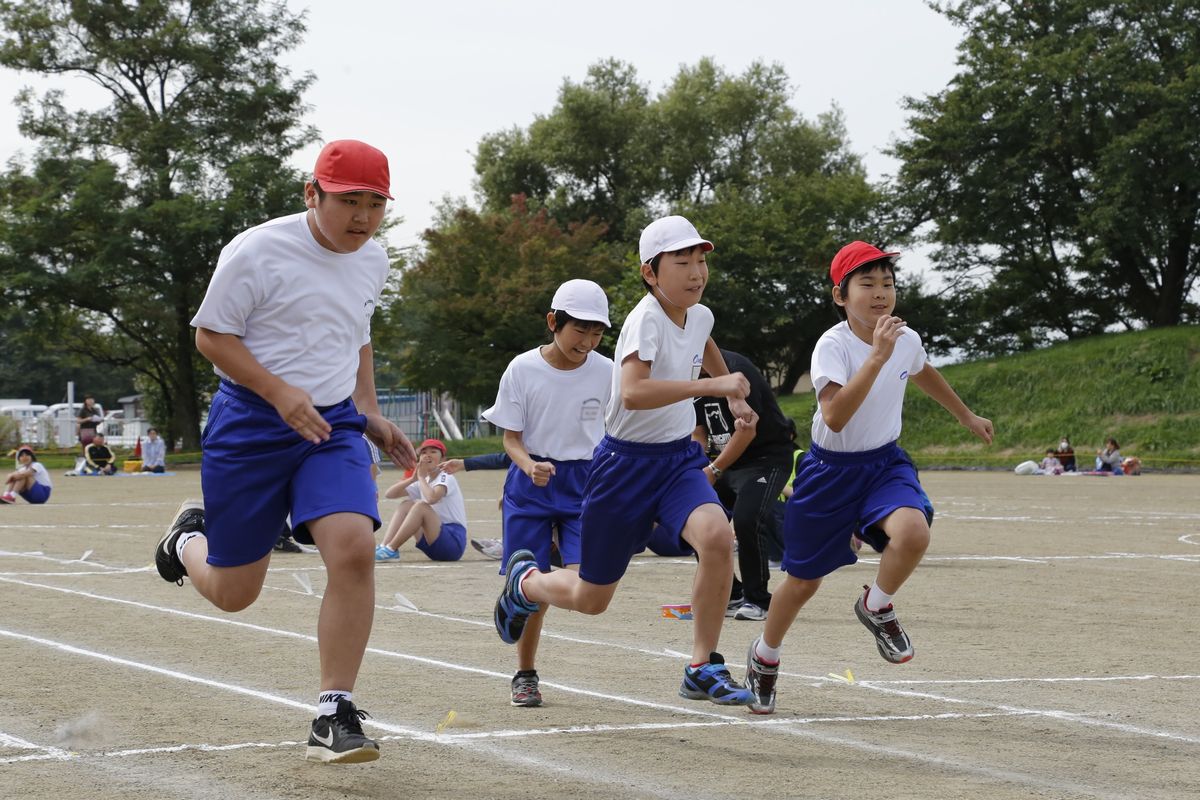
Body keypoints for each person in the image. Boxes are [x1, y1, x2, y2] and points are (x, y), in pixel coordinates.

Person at [152, 139, 417, 764]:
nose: (362, 217)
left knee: (354, 550)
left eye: (374, 204)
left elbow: (357, 340)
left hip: (331, 427)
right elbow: (210, 335)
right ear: (312, 194)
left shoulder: (372, 260)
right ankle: (186, 541)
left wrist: (369, 411)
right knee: (234, 592)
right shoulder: (257, 250)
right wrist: (277, 391)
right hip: (251, 422)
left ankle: (333, 712)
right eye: (348, 201)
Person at [493, 214, 756, 706]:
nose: (697, 271)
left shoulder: (699, 314)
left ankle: (702, 664)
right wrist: (712, 387)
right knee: (592, 600)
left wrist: (734, 399)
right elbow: (633, 393)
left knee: (718, 536)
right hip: (624, 467)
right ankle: (526, 583)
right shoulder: (644, 319)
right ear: (650, 272)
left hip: (678, 459)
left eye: (701, 260)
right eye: (683, 261)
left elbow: (704, 341)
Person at [743, 241, 994, 715]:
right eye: (867, 284)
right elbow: (834, 417)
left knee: (914, 532)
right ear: (840, 295)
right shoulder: (832, 345)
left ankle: (877, 605)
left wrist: (965, 415)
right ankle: (764, 655)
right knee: (802, 582)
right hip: (829, 472)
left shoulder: (905, 338)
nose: (881, 293)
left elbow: (922, 371)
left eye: (888, 284)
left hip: (883, 463)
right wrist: (876, 357)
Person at [481, 278, 613, 707]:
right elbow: (511, 439)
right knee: (540, 600)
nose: (588, 341)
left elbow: (619, 433)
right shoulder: (522, 369)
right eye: (581, 330)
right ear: (553, 321)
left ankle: (523, 585)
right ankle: (525, 673)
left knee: (583, 586)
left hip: (587, 484)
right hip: (531, 484)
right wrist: (529, 466)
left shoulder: (609, 372)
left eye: (597, 332)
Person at [693, 350, 797, 622]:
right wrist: (696, 467)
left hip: (765, 458)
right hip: (725, 461)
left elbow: (747, 430)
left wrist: (714, 470)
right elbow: (698, 431)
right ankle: (731, 592)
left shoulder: (737, 371)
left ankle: (759, 599)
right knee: (690, 514)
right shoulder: (686, 373)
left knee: (747, 518)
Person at [376, 438, 468, 562]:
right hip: (434, 541)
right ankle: (385, 546)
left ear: (443, 460)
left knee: (421, 506)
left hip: (453, 543)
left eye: (433, 452)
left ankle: (391, 549)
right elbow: (390, 494)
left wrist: (420, 477)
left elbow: (431, 498)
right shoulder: (424, 481)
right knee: (406, 504)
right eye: (424, 453)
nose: (427, 455)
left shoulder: (446, 476)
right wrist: (413, 479)